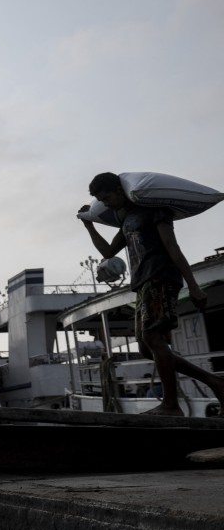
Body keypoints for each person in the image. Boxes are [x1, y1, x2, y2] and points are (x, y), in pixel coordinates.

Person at [79, 172, 224, 416]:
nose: (105, 204)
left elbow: (172, 247)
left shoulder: (153, 209)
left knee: (154, 339)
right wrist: (88, 224)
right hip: (143, 282)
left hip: (161, 276)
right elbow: (108, 251)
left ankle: (171, 405)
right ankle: (215, 382)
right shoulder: (125, 218)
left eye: (107, 197)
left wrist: (194, 286)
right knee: (147, 347)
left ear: (118, 190)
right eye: (100, 200)